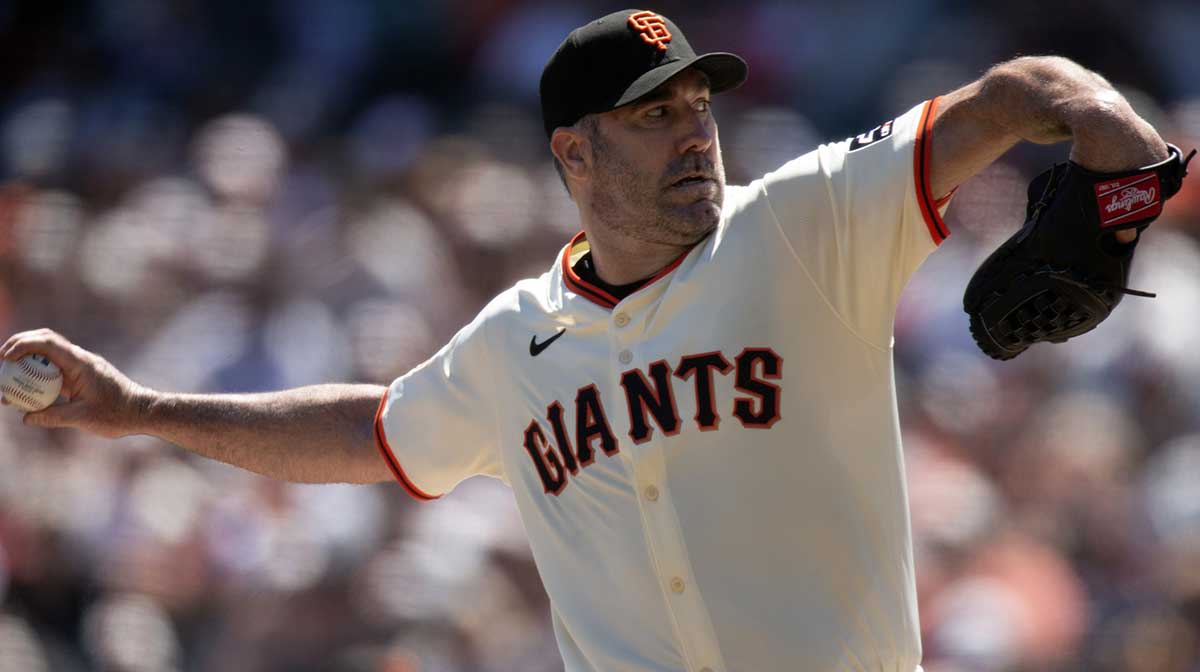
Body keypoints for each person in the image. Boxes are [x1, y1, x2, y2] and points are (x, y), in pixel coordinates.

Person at [2, 9, 1172, 672]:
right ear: (573, 155)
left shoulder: (805, 221)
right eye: (652, 114)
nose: (692, 133)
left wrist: (1119, 166)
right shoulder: (515, 340)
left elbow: (1026, 90)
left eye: (697, 105)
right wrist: (139, 411)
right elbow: (373, 431)